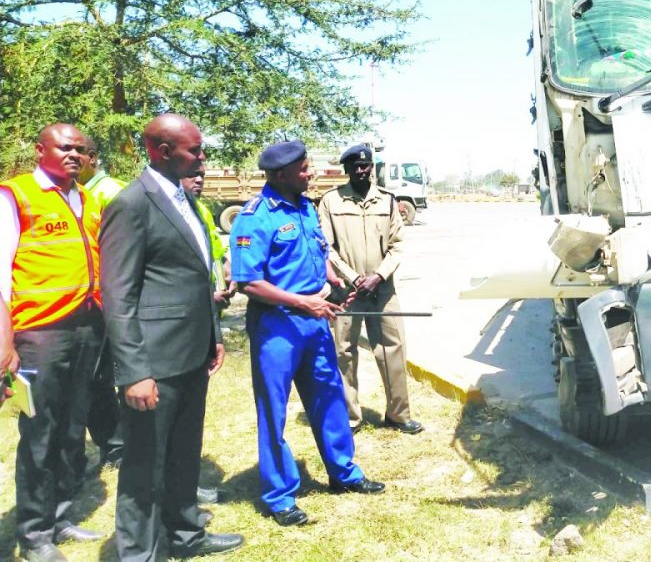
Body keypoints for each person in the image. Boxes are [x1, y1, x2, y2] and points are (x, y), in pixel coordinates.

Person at [99, 113, 244, 561]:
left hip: (191, 354)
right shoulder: (132, 204)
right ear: (162, 152)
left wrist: (214, 335)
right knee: (144, 466)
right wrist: (134, 372)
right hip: (154, 363)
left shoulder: (183, 199)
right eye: (194, 150)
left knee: (185, 453)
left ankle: (184, 535)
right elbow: (118, 296)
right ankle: (138, 552)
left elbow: (197, 276)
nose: (202, 158)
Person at [230, 139, 384, 528]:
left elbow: (315, 253)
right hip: (277, 326)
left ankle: (344, 473)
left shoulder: (304, 207)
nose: (310, 172)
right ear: (281, 174)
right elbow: (248, 282)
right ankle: (280, 495)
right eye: (303, 168)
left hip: (315, 322)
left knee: (329, 396)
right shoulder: (255, 217)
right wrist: (303, 303)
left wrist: (332, 282)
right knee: (274, 411)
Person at [0, 123, 105, 562]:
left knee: (70, 427)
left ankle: (59, 514)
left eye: (81, 149)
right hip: (38, 335)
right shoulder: (15, 196)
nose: (74, 154)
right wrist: (5, 342)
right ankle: (34, 533)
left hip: (86, 329)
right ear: (40, 149)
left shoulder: (87, 198)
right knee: (40, 433)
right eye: (65, 147)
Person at [318, 144, 423, 435]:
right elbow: (328, 247)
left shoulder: (387, 201)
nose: (362, 171)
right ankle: (350, 417)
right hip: (347, 291)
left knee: (392, 349)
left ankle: (399, 415)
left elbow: (398, 245)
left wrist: (379, 275)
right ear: (347, 170)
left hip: (382, 290)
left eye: (366, 166)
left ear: (372, 168)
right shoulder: (330, 201)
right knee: (344, 352)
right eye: (355, 167)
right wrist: (352, 278)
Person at [76, 136, 127, 470]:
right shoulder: (75, 195)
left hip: (108, 302)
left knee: (104, 379)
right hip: (81, 307)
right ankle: (108, 446)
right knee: (91, 381)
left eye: (76, 154)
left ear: (92, 158)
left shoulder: (110, 192)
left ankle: (117, 447)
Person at [182, 167, 237, 310]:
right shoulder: (165, 212)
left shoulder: (201, 210)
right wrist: (206, 299)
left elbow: (215, 252)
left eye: (202, 175)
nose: (199, 180)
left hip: (211, 309)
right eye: (191, 174)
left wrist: (229, 271)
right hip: (188, 309)